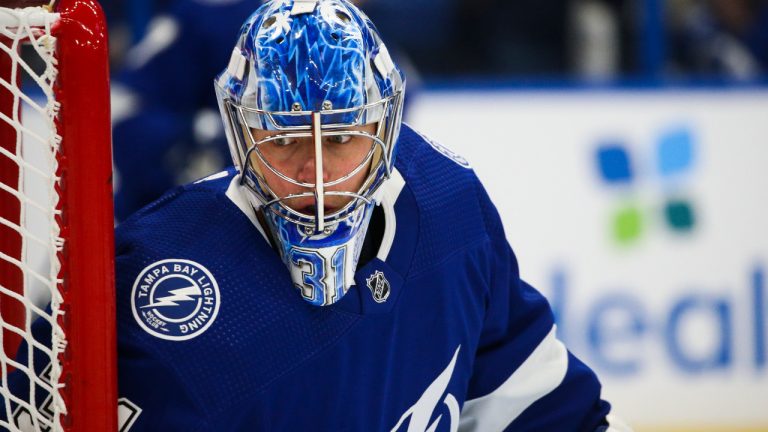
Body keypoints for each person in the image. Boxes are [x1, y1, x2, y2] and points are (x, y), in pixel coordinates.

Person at [112, 0, 630, 430]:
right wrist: (180, 146)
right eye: (284, 137)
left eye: (340, 137)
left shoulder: (450, 207)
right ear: (239, 133)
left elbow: (539, 407)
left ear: (386, 128)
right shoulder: (151, 282)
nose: (315, 173)